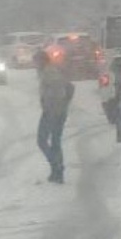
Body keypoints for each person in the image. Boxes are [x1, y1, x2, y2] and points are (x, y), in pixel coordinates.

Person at [36, 51, 75, 183]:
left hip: (53, 111)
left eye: (36, 61)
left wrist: (51, 106)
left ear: (41, 61)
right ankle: (57, 171)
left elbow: (58, 91)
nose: (34, 65)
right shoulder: (49, 71)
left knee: (42, 140)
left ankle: (56, 166)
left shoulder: (49, 73)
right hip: (57, 110)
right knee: (55, 141)